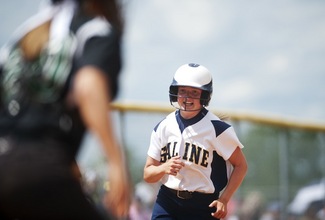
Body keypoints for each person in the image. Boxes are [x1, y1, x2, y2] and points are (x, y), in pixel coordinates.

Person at [0, 0, 131, 219]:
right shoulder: (94, 30)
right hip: (34, 168)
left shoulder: (20, 38)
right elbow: (88, 86)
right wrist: (116, 163)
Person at [143, 63, 248, 220]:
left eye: (194, 92)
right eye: (182, 91)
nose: (187, 97)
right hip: (167, 201)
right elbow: (148, 174)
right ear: (175, 93)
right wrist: (163, 168)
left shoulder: (217, 128)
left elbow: (241, 166)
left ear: (204, 95)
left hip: (203, 205)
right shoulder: (164, 126)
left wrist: (224, 199)